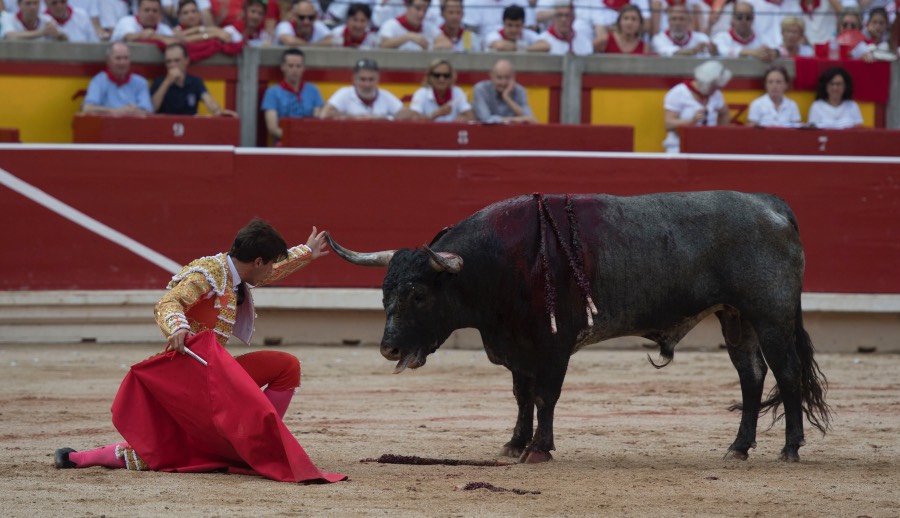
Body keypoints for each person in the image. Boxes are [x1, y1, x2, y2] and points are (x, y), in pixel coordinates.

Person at [53, 219, 332, 477]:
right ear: (257, 260)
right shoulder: (208, 274)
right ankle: (78, 459)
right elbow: (168, 303)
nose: (271, 270)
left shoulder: (236, 273)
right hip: (190, 376)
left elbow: (268, 273)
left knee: (286, 366)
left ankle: (259, 445)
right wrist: (177, 327)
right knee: (163, 451)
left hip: (216, 373)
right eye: (269, 264)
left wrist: (306, 252)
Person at [661, 59, 731, 153]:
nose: (717, 90)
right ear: (706, 84)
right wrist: (691, 121)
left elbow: (725, 113)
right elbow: (668, 124)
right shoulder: (678, 93)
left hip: (708, 147)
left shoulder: (716, 94)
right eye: (714, 87)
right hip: (679, 146)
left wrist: (720, 137)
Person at [151, 43, 237, 116]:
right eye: (168, 61)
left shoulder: (195, 82)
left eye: (177, 60)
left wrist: (219, 111)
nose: (172, 65)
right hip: (165, 128)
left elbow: (208, 99)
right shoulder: (159, 82)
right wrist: (167, 82)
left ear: (186, 60)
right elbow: (152, 109)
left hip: (190, 128)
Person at [261, 48, 324, 143]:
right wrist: (295, 138)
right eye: (291, 66)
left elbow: (318, 119)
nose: (295, 70)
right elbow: (272, 128)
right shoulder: (272, 92)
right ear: (283, 67)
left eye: (298, 66)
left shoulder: (313, 90)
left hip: (309, 142)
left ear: (303, 68)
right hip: (284, 143)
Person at [320, 58, 415, 120]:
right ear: (354, 79)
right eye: (363, 79)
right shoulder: (345, 93)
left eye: (371, 79)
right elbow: (324, 115)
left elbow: (407, 114)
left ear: (378, 79)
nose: (367, 84)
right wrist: (356, 118)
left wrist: (383, 118)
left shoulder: (384, 95)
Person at [81, 42, 153, 116]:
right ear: (108, 61)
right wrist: (115, 111)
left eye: (126, 58)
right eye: (118, 58)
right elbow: (87, 108)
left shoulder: (140, 82)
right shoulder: (98, 81)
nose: (122, 62)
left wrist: (134, 111)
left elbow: (148, 110)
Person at [472, 58, 537, 124]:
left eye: (507, 77)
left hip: (513, 133)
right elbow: (485, 119)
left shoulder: (520, 91)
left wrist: (507, 98)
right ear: (491, 76)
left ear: (514, 77)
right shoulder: (481, 89)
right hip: (486, 133)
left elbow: (531, 120)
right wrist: (515, 120)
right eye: (499, 78)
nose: (503, 82)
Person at [409, 58, 475, 122]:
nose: (441, 79)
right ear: (429, 77)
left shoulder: (458, 92)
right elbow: (413, 119)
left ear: (451, 77)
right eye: (437, 75)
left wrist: (464, 118)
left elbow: (471, 117)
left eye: (446, 76)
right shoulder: (421, 93)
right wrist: (435, 114)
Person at [711, 1, 778, 61]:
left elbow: (776, 49)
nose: (744, 21)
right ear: (732, 19)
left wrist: (771, 53)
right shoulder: (722, 37)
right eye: (739, 17)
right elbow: (722, 50)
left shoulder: (762, 38)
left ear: (753, 19)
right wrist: (751, 52)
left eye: (748, 17)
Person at [529, 1, 594, 55]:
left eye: (567, 16)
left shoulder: (584, 42)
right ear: (553, 17)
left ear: (573, 18)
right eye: (559, 15)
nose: (563, 19)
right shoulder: (541, 41)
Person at [651, 3, 716, 57]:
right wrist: (694, 50)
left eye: (681, 19)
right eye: (674, 19)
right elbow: (674, 53)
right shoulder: (659, 38)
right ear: (668, 21)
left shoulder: (701, 37)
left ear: (689, 21)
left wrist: (714, 50)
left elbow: (712, 56)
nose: (677, 23)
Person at [110, 0, 175, 44]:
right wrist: (160, 38)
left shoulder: (164, 28)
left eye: (155, 11)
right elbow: (129, 37)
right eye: (147, 10)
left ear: (160, 14)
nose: (151, 14)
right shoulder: (126, 21)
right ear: (138, 11)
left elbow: (174, 42)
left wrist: (153, 36)